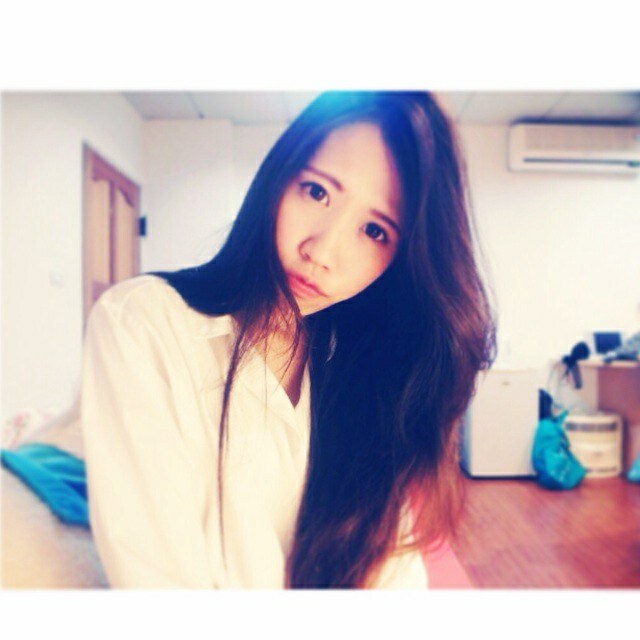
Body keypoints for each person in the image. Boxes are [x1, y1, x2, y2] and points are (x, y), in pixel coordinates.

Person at [81, 91, 495, 589]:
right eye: (317, 192)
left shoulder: (369, 376)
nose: (322, 251)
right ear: (277, 179)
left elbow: (390, 574)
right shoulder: (144, 322)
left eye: (373, 230)